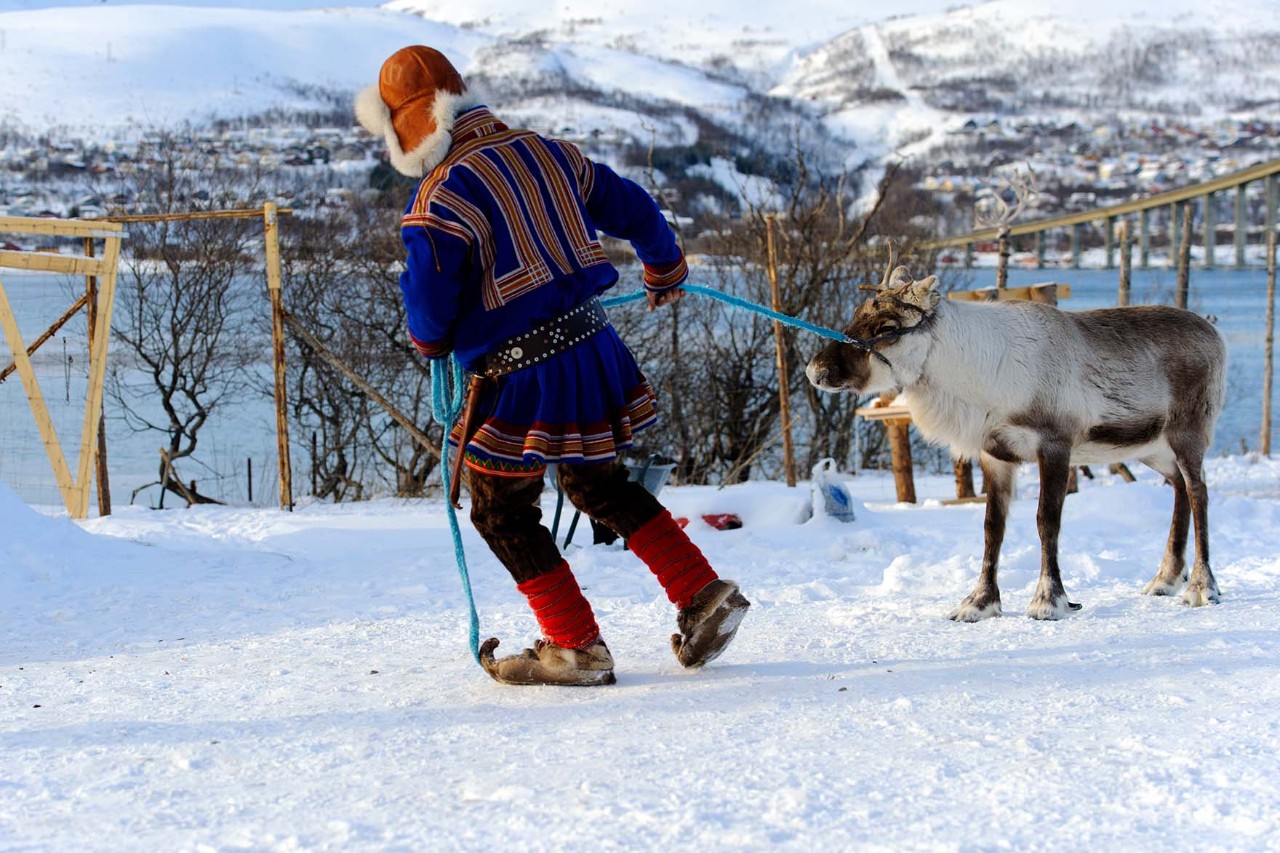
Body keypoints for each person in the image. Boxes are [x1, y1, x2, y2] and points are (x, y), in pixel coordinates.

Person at [355, 46, 750, 686]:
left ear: (410, 130)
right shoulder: (551, 153)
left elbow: (428, 309)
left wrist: (430, 345)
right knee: (599, 486)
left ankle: (574, 646)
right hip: (593, 351)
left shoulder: (438, 201)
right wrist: (664, 266)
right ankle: (704, 595)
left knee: (500, 513)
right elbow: (635, 207)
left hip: (519, 377)